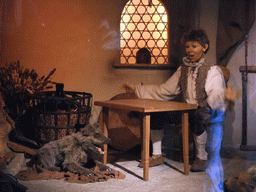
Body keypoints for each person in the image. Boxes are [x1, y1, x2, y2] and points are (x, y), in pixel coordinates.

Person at [123, 29, 227, 172]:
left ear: (204, 47)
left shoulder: (212, 70)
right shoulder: (183, 69)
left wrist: (221, 98)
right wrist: (137, 89)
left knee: (198, 116)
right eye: (187, 46)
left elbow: (215, 95)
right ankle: (157, 155)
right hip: (187, 109)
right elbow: (166, 90)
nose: (189, 50)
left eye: (194, 46)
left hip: (207, 108)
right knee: (156, 114)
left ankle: (201, 158)